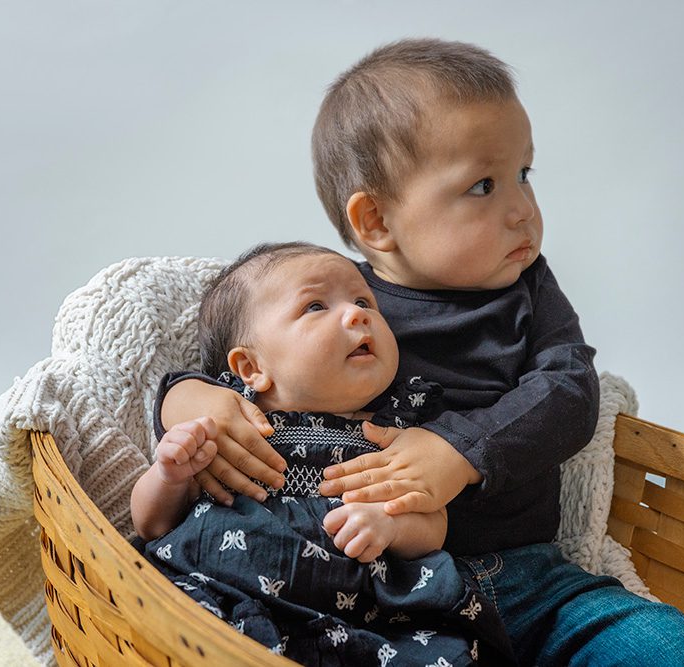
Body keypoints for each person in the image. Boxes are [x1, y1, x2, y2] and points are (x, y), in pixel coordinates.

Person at [157, 39, 684, 666]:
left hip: (524, 577)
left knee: (663, 646)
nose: (523, 211)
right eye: (483, 185)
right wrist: (189, 400)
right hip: (373, 589)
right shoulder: (340, 301)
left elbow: (568, 391)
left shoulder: (528, 292)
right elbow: (240, 365)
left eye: (524, 175)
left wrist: (459, 451)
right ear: (375, 221)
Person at [133, 241, 513, 666]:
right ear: (251, 368)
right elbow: (152, 525)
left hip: (362, 617)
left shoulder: (397, 427)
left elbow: (433, 522)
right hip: (226, 591)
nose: (358, 314)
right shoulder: (232, 424)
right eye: (315, 306)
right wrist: (168, 475)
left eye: (363, 300)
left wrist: (390, 524)